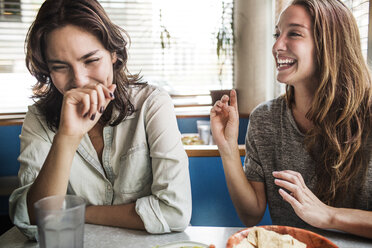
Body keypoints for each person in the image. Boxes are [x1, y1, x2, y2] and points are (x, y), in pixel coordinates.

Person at [9, 0, 191, 240]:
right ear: (48, 71)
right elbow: (35, 224)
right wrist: (67, 136)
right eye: (60, 67)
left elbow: (174, 213)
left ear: (113, 53)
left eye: (91, 60)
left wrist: (79, 212)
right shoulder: (38, 118)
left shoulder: (152, 104)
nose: (80, 80)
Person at [211, 0, 372, 239]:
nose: (277, 45)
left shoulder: (368, 116)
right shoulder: (265, 119)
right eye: (277, 34)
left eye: (294, 33)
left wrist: (329, 215)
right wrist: (227, 149)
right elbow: (250, 214)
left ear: (331, 44)